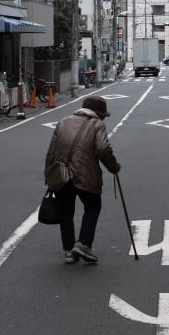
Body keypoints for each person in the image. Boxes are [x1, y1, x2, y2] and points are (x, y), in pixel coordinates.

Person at [44, 96, 121, 264]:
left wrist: (48, 176)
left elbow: (51, 151)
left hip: (62, 174)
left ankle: (69, 251)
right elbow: (102, 148)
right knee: (93, 206)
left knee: (66, 212)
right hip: (85, 174)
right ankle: (84, 244)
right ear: (98, 113)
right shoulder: (97, 124)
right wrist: (114, 167)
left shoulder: (63, 122)